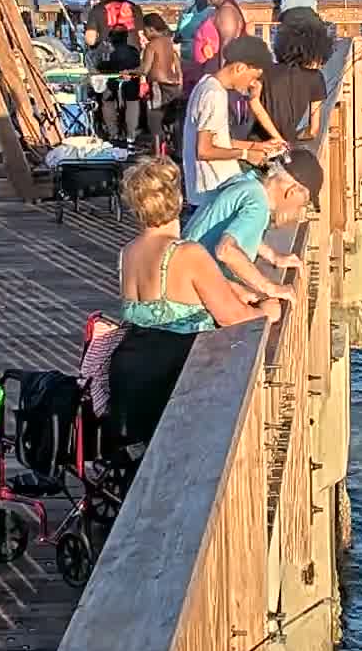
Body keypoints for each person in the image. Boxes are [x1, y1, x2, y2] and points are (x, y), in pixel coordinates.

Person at [109, 159, 281, 443]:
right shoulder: (187, 253)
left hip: (129, 373)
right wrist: (266, 312)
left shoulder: (128, 253)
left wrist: (232, 288)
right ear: (176, 199)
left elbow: (167, 304)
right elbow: (231, 317)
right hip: (174, 380)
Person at [184, 150, 324, 305]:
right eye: (303, 204)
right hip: (187, 300)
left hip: (178, 277)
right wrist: (269, 287)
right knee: (269, 311)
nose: (300, 210)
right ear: (291, 192)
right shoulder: (259, 207)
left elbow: (239, 231)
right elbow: (226, 250)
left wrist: (273, 256)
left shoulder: (249, 183)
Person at [182, 36, 285, 210]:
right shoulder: (214, 95)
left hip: (212, 190)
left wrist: (258, 147)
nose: (253, 84)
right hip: (212, 192)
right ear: (240, 68)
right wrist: (245, 155)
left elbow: (218, 142)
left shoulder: (206, 84)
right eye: (254, 77)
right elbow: (204, 150)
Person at [256, 8, 332, 143]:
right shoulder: (316, 78)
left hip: (257, 142)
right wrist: (293, 137)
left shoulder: (264, 71)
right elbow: (313, 130)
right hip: (287, 143)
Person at [138, 12, 183, 153]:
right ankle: (177, 150)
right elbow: (177, 65)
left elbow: (145, 69)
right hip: (175, 86)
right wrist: (180, 83)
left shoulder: (151, 46)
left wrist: (129, 71)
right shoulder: (169, 42)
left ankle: (158, 154)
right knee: (172, 121)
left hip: (159, 86)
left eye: (144, 30)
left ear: (151, 29)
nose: (143, 34)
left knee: (155, 121)